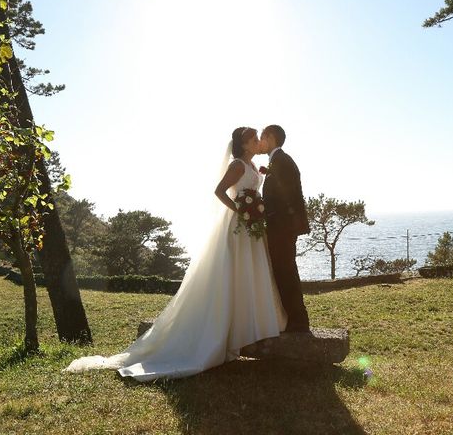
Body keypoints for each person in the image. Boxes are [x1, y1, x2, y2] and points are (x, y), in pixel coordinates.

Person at [63, 127, 287, 381]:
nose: (258, 141)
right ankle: (223, 333)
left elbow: (253, 192)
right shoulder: (237, 165)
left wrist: (254, 208)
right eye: (254, 138)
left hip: (250, 227)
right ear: (245, 144)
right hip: (238, 225)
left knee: (250, 273)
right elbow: (219, 191)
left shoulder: (253, 166)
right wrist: (239, 209)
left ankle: (247, 326)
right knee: (233, 273)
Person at [260, 125, 311, 332]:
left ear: (270, 137)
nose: (260, 142)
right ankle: (293, 319)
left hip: (282, 228)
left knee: (286, 272)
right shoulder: (277, 161)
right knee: (283, 272)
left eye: (261, 137)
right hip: (281, 227)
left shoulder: (282, 161)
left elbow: (288, 197)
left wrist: (265, 212)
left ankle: (298, 321)